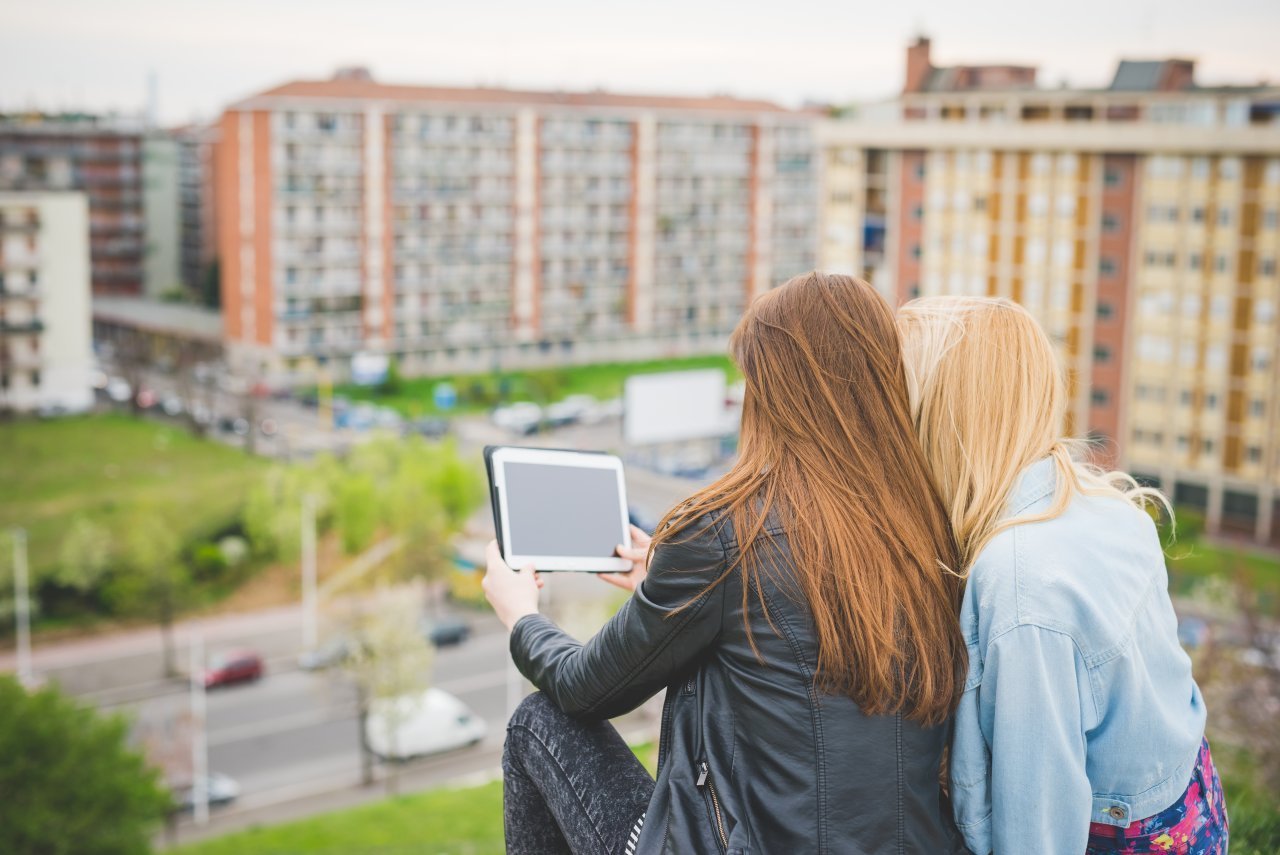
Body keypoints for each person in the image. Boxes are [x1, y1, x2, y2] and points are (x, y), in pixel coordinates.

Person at [483, 272, 970, 854]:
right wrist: (665, 580)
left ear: (771, 392)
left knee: (537, 723)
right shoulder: (927, 525)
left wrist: (521, 618)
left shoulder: (724, 532)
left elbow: (585, 688)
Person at [897, 295, 1227, 855]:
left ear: (946, 418)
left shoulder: (1021, 585)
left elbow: (1037, 825)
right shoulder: (1102, 503)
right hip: (1194, 808)